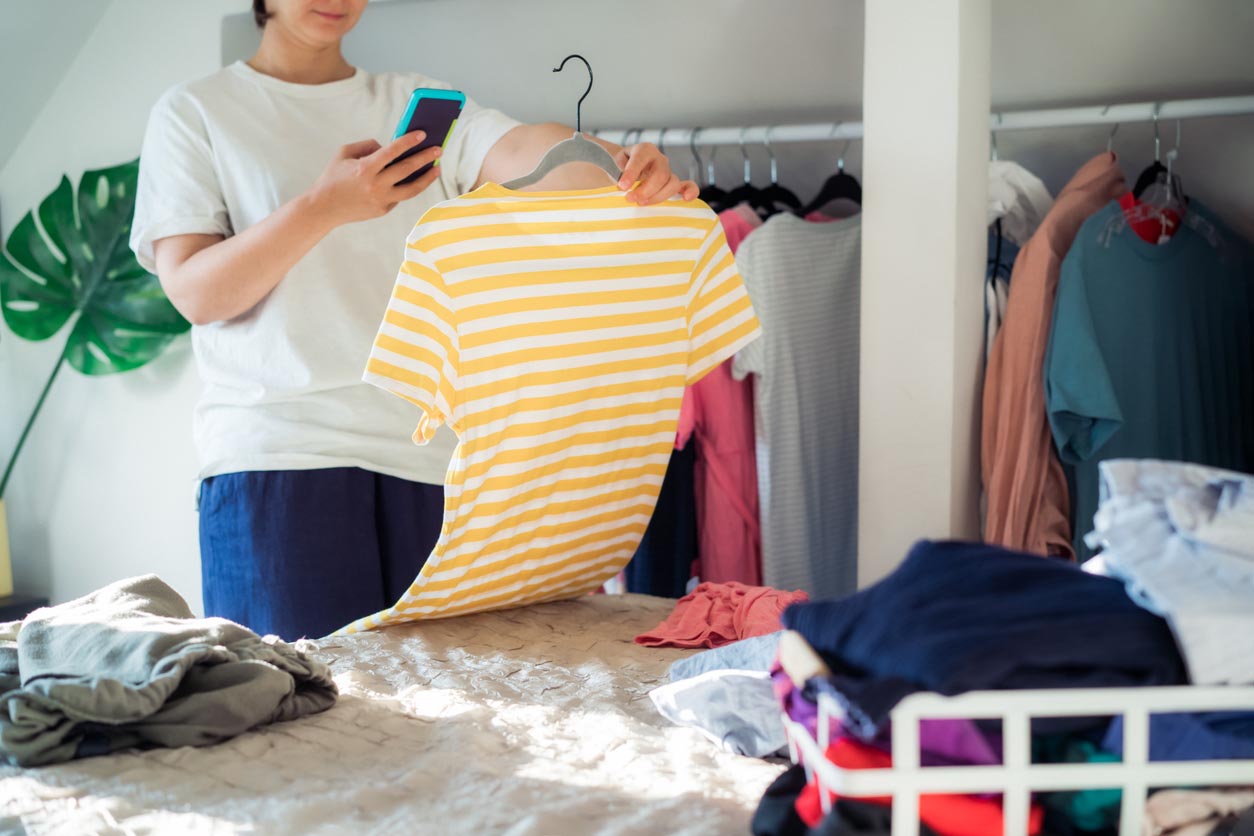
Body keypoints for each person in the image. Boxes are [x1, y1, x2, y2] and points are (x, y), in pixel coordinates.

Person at [130, 0, 697, 640]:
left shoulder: (416, 101)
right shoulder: (195, 110)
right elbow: (196, 293)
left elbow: (517, 152)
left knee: (439, 719)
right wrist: (325, 206)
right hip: (279, 457)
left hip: (427, 464)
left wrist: (607, 163)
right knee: (294, 713)